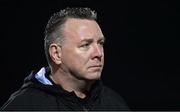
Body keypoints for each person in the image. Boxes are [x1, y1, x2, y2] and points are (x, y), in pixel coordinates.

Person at [1, 7, 129, 111]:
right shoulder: (23, 107)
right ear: (56, 54)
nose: (98, 53)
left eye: (100, 43)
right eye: (85, 45)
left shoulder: (114, 103)